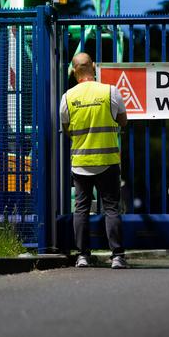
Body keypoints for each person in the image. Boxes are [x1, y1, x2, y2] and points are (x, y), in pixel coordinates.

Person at [59, 52, 129, 269]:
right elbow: (123, 121)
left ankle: (82, 256)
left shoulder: (68, 97)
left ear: (73, 71)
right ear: (94, 67)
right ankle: (117, 256)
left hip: (81, 164)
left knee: (80, 209)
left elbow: (66, 128)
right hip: (107, 161)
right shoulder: (110, 91)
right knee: (111, 209)